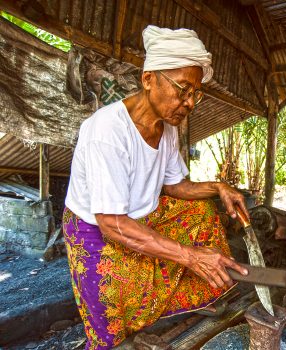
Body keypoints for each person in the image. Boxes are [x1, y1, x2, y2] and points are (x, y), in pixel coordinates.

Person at [63, 25, 248, 349]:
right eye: (183, 90)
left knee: (201, 213)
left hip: (140, 218)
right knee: (114, 294)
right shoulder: (108, 131)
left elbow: (175, 185)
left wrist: (218, 187)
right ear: (149, 78)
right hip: (96, 231)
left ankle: (197, 295)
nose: (190, 103)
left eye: (196, 94)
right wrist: (189, 257)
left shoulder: (167, 128)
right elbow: (111, 223)